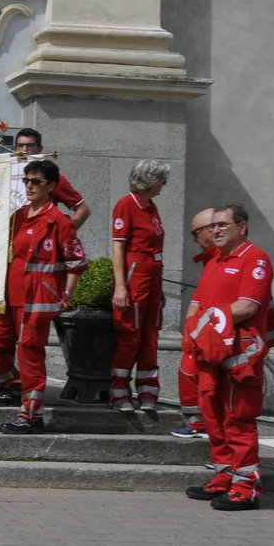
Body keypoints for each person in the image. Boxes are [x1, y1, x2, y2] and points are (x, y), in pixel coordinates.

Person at [0, 159, 86, 434]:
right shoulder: (19, 216)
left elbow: (76, 261)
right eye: (27, 181)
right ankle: (12, 385)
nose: (30, 186)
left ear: (51, 186)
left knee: (29, 355)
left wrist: (66, 294)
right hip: (6, 297)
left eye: (36, 181)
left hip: (36, 299)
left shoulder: (59, 222)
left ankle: (31, 414)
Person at [184, 204, 274, 510]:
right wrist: (195, 333)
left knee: (238, 418)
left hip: (240, 353)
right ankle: (224, 477)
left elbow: (247, 307)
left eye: (224, 224)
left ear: (243, 226)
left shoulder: (255, 258)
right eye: (213, 226)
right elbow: (196, 305)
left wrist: (203, 325)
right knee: (212, 416)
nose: (216, 230)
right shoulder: (214, 260)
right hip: (212, 350)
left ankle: (246, 487)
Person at [109, 159, 170, 412]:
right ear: (149, 181)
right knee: (130, 334)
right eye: (161, 180)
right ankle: (119, 392)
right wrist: (121, 286)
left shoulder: (151, 206)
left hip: (153, 272)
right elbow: (119, 246)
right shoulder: (127, 204)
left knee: (150, 335)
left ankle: (147, 391)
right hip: (137, 271)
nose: (164, 186)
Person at [172, 207, 216, 439]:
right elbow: (201, 294)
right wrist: (192, 325)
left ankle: (206, 426)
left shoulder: (233, 257)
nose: (195, 239)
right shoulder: (211, 259)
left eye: (196, 233)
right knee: (188, 371)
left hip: (219, 332)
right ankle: (197, 422)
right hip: (204, 328)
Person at [14, 128, 89, 230]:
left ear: (39, 148)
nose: (24, 150)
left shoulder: (51, 176)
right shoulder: (6, 175)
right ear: (14, 149)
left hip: (39, 238)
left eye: (30, 145)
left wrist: (64, 234)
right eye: (20, 146)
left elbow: (83, 209)